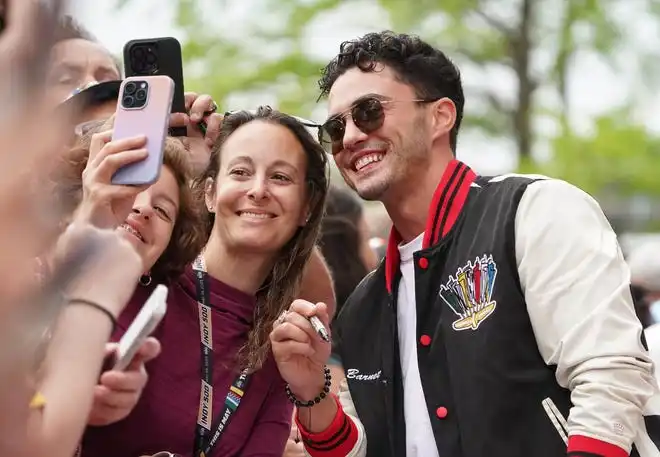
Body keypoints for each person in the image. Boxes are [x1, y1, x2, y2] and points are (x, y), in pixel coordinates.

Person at [270, 31, 660, 457]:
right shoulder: (363, 305)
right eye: (336, 127)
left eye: (368, 112)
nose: (349, 139)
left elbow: (611, 375)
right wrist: (311, 392)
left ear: (440, 116)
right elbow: (364, 449)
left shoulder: (534, 211)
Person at [77, 107, 329, 457]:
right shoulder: (142, 276)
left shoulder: (278, 348)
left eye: (281, 178)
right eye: (240, 171)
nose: (258, 190)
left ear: (306, 207)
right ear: (209, 192)